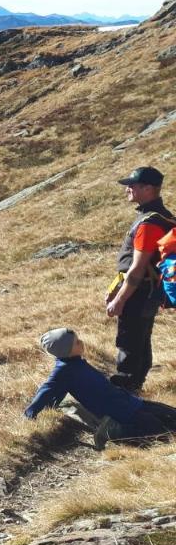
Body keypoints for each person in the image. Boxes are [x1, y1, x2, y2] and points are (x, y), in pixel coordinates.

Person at [25, 327, 176, 448]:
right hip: (120, 413)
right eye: (77, 343)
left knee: (169, 413)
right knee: (159, 431)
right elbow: (47, 390)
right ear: (66, 351)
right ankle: (112, 433)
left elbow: (57, 392)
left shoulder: (75, 362)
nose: (82, 342)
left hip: (130, 403)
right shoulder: (63, 371)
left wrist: (53, 403)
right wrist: (30, 413)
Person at [105, 166, 175, 391]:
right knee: (141, 338)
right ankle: (135, 387)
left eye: (132, 185)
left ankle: (125, 392)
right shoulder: (163, 216)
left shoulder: (149, 223)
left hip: (139, 292)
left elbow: (137, 268)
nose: (127, 189)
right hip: (150, 291)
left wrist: (121, 299)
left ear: (148, 189)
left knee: (130, 341)